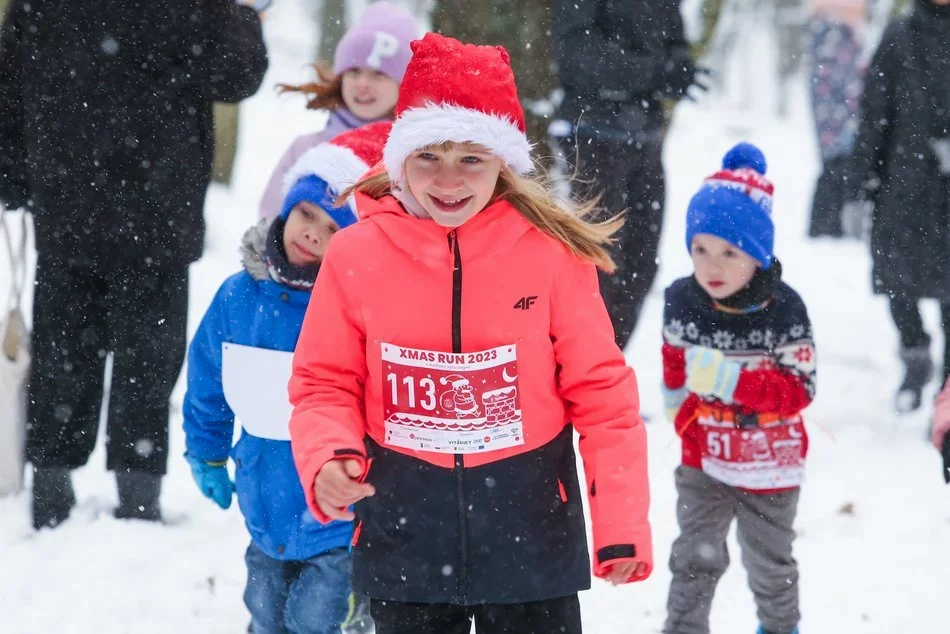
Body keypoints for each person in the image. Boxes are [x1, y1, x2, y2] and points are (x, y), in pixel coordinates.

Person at [288, 33, 653, 634]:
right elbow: (324, 382)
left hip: (531, 532)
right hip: (405, 531)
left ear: (503, 163)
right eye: (428, 155)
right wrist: (329, 455)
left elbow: (604, 398)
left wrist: (620, 526)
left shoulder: (552, 257)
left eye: (471, 159)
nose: (448, 179)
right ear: (399, 155)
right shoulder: (355, 255)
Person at [0, 0, 267, 530]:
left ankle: (68, 497)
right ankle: (122, 497)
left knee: (74, 353)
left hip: (92, 201)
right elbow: (237, 73)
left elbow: (10, 78)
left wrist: (14, 170)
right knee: (135, 359)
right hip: (144, 206)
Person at [183, 123, 391, 634]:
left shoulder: (356, 305)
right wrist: (207, 451)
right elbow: (209, 379)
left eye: (332, 228)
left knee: (313, 618)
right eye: (306, 214)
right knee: (265, 611)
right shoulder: (238, 295)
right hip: (264, 494)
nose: (313, 234)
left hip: (337, 510)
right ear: (285, 207)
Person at [661, 144, 816, 634]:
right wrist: (678, 410)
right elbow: (673, 362)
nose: (713, 266)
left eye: (731, 252)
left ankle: (779, 627)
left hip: (770, 463)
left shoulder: (785, 310)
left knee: (770, 565)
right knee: (693, 559)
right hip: (703, 458)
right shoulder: (682, 300)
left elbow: (800, 388)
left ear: (757, 252)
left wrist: (731, 380)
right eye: (700, 248)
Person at [550, 0, 706, 349]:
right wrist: (653, 73)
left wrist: (681, 69)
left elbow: (673, 40)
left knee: (641, 263)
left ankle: (606, 374)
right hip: (592, 135)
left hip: (646, 137)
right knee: (598, 265)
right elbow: (578, 54)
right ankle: (577, 378)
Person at [847, 0, 950, 412]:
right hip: (904, 182)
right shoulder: (900, 35)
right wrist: (859, 184)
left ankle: (947, 389)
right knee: (897, 279)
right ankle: (914, 355)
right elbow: (875, 111)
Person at [258, 1, 418, 219]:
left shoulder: (413, 161)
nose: (362, 83)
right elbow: (269, 226)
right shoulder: (305, 148)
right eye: (353, 71)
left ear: (403, 84)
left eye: (378, 74)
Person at [806, 0, 867, 237]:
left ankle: (831, 229)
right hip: (837, 119)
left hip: (840, 118)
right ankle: (828, 230)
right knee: (835, 169)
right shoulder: (832, 35)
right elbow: (835, 82)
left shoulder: (839, 34)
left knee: (838, 169)